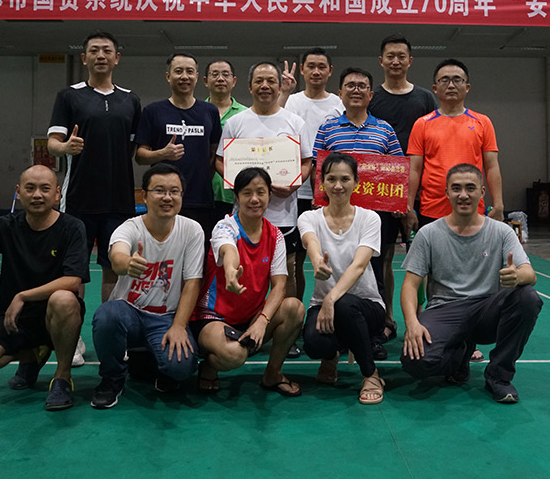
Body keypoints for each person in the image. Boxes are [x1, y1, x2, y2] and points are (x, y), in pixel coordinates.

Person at [401, 164, 542, 404]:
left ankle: (499, 376)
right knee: (415, 362)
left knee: (528, 297)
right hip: (445, 309)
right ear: (446, 192)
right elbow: (410, 285)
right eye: (456, 188)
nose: (463, 195)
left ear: (482, 192)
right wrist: (412, 324)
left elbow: (530, 273)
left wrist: (517, 276)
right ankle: (460, 354)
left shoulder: (501, 232)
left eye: (470, 188)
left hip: (487, 309)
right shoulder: (428, 233)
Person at [0, 165, 89, 411]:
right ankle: (32, 354)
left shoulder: (72, 228)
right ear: (18, 192)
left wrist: (23, 296)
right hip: (14, 320)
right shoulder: (3, 226)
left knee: (64, 298)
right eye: (30, 188)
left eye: (45, 189)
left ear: (57, 194)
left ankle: (62, 377)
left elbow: (72, 281)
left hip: (54, 316)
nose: (37, 194)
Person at [48, 30, 141, 365]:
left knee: (115, 271)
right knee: (74, 274)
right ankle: (72, 340)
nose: (101, 55)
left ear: (117, 58)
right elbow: (52, 144)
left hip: (119, 202)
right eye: (94, 51)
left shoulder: (130, 100)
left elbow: (135, 148)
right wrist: (66, 147)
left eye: (107, 51)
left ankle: (110, 337)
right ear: (84, 58)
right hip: (79, 200)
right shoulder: (69, 96)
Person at [405, 58, 504, 362]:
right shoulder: (423, 124)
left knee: (468, 275)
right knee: (425, 277)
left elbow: (491, 165)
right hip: (431, 210)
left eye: (457, 79)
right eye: (445, 80)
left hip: (472, 213)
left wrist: (499, 203)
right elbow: (414, 168)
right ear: (434, 88)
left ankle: (468, 335)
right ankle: (423, 325)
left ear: (467, 87)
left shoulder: (482, 122)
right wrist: (408, 205)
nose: (451, 84)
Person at [89, 164, 204, 409]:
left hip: (165, 317)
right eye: (159, 190)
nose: (167, 197)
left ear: (182, 195)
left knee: (181, 368)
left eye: (174, 191)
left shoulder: (192, 230)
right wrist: (127, 263)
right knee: (107, 316)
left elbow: (192, 282)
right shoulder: (130, 227)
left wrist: (179, 326)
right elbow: (117, 255)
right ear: (144, 195)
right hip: (128, 312)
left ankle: (150, 362)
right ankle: (112, 379)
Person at [191, 168, 306, 396]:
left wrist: (262, 321)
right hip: (214, 317)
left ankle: (273, 374)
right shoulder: (225, 227)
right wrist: (231, 271)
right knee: (235, 354)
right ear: (237, 197)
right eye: (247, 193)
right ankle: (210, 365)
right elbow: (228, 250)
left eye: (260, 192)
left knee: (294, 308)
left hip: (251, 317)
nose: (254, 199)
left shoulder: (276, 236)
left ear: (269, 195)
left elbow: (279, 286)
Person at [313, 66, 402, 359]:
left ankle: (373, 332)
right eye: (350, 85)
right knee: (337, 265)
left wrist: (399, 204)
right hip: (335, 214)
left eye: (362, 86)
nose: (356, 90)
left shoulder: (385, 129)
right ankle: (341, 329)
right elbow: (317, 168)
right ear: (340, 93)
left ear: (370, 94)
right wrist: (318, 198)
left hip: (375, 217)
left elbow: (397, 170)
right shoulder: (327, 128)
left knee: (375, 271)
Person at [215, 62, 313, 300]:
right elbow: (219, 161)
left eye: (271, 81)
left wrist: (294, 184)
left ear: (280, 86)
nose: (265, 86)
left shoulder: (295, 122)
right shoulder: (236, 122)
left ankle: (286, 318)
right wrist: (240, 186)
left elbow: (307, 162)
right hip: (244, 217)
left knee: (286, 274)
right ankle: (245, 317)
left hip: (283, 216)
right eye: (259, 81)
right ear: (250, 87)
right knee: (245, 273)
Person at [366, 34, 437, 348]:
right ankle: (386, 319)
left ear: (410, 61)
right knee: (382, 258)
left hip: (423, 191)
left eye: (401, 56)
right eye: (390, 56)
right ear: (381, 61)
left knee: (426, 260)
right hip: (381, 193)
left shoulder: (424, 98)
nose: (395, 61)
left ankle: (426, 320)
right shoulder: (372, 98)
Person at [299, 153, 386, 404]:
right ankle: (330, 357)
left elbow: (359, 266)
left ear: (356, 182)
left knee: (345, 305)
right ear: (321, 183)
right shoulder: (309, 218)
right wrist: (317, 261)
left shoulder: (370, 218)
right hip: (325, 306)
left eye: (345, 179)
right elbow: (311, 242)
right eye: (331, 179)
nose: (338, 185)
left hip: (367, 306)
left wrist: (330, 299)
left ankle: (371, 375)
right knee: (314, 343)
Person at [281, 48, 344, 304]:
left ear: (330, 71)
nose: (316, 71)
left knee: (331, 255)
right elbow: (275, 125)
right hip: (295, 191)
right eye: (311, 66)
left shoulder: (338, 104)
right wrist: (284, 92)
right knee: (295, 260)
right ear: (302, 70)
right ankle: (295, 312)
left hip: (331, 194)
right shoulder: (292, 101)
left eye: (322, 67)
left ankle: (331, 307)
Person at [136, 52, 222, 239]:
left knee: (199, 253)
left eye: (189, 71)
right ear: (168, 76)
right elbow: (140, 156)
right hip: (163, 200)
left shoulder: (209, 111)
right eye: (178, 71)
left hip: (201, 199)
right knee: (162, 251)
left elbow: (214, 153)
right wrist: (162, 154)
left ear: (197, 77)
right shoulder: (153, 111)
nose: (184, 76)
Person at [203, 59, 248, 223]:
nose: (220, 79)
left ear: (234, 81)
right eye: (214, 74)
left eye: (225, 74)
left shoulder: (246, 115)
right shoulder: (197, 112)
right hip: (203, 192)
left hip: (235, 194)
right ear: (205, 81)